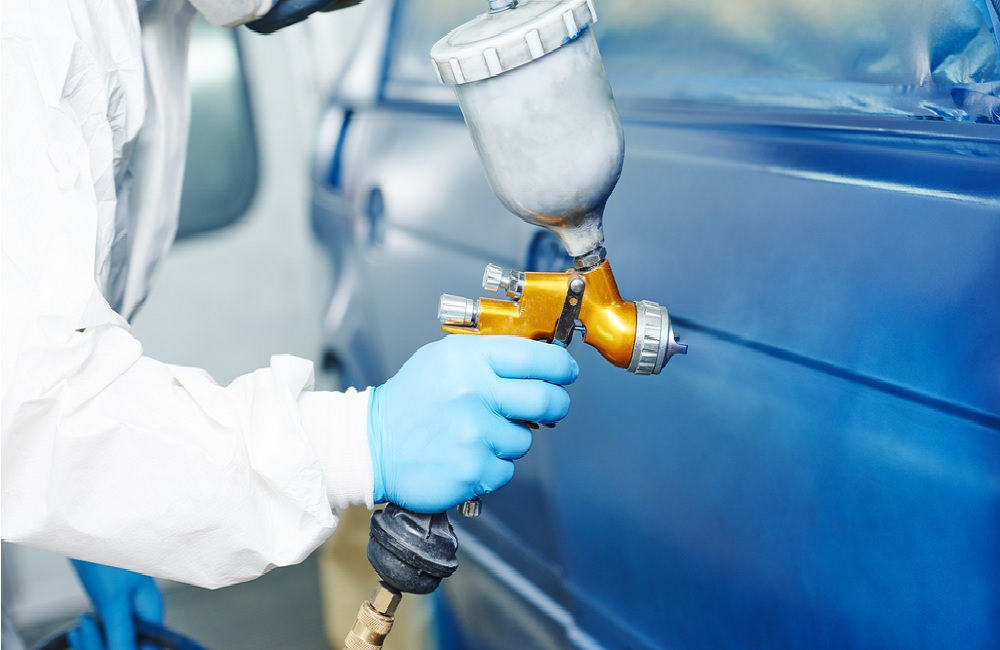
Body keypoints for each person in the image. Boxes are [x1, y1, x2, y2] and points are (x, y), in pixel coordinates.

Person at [0, 0, 578, 647]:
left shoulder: (149, 21)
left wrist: (102, 520)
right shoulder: (26, 29)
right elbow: (26, 407)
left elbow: (47, 330)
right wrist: (355, 443)